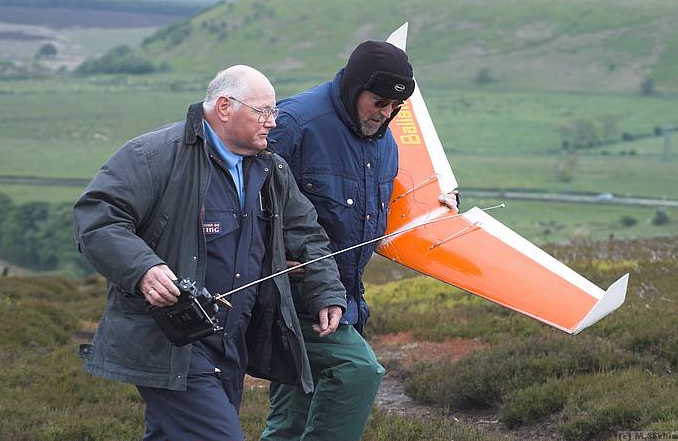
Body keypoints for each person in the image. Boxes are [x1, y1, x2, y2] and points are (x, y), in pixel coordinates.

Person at [72, 65, 346, 441]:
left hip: (233, 340)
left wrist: (326, 291)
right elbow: (97, 219)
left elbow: (308, 235)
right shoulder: (152, 155)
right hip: (171, 340)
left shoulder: (270, 169)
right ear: (223, 107)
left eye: (274, 112)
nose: (272, 122)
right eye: (262, 112)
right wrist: (144, 269)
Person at [262, 41, 458, 440]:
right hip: (287, 297)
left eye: (395, 107)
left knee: (291, 418)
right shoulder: (294, 125)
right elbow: (237, 200)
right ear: (354, 89)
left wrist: (435, 205)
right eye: (379, 102)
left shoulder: (385, 140)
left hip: (345, 297)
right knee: (359, 372)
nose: (386, 114)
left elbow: (385, 201)